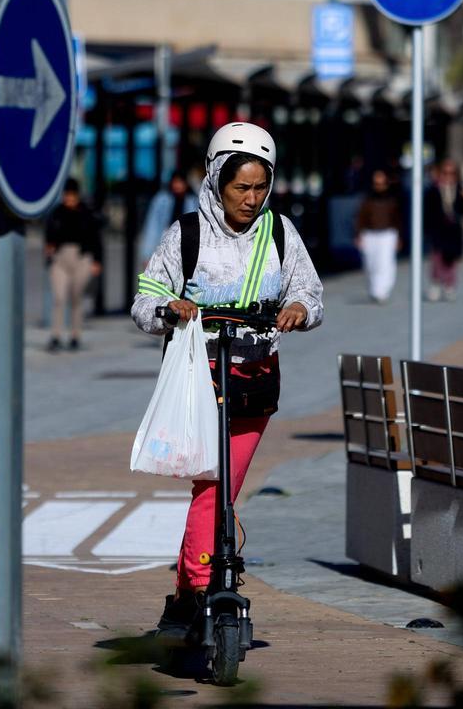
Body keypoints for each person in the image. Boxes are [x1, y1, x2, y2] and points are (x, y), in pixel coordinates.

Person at [131, 122, 323, 640]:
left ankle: (186, 594)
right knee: (212, 485)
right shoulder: (186, 234)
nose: (251, 199)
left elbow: (310, 293)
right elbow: (144, 302)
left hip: (255, 381)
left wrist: (300, 308)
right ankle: (195, 587)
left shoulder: (280, 232)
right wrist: (170, 308)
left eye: (261, 187)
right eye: (241, 187)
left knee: (221, 486)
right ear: (216, 180)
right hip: (198, 380)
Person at [45, 179, 103, 351]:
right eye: (67, 195)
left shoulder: (86, 213)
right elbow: (48, 235)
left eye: (72, 195)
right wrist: (49, 249)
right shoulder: (56, 213)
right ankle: (56, 335)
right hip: (60, 257)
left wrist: (97, 261)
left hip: (82, 257)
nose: (69, 198)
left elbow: (96, 238)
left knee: (76, 296)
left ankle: (75, 335)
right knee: (59, 297)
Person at [424, 158, 463, 302]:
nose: (448, 176)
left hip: (453, 230)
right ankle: (435, 284)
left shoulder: (460, 189)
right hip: (438, 229)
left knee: (451, 259)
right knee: (437, 258)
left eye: (451, 173)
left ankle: (449, 285)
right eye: (445, 173)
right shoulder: (433, 190)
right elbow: (427, 212)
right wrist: (427, 230)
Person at [354, 169, 402, 303]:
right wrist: (358, 235)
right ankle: (374, 288)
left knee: (385, 262)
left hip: (387, 234)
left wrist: (399, 237)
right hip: (370, 235)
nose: (379, 186)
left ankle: (382, 291)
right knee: (370, 263)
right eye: (376, 183)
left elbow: (398, 220)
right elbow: (360, 218)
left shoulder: (392, 201)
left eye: (381, 183)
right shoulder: (367, 201)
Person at [139, 173, 198, 268]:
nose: (178, 185)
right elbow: (152, 227)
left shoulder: (193, 201)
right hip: (165, 243)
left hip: (185, 247)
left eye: (180, 182)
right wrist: (147, 255)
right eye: (175, 182)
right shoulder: (161, 200)